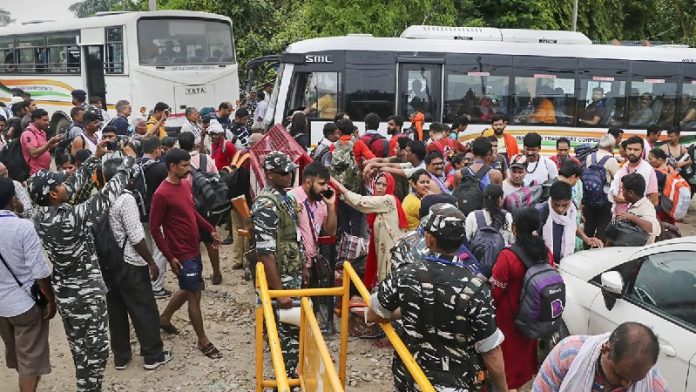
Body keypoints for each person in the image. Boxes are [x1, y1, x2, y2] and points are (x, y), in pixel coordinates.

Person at [366, 204, 508, 392]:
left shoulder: (406, 275)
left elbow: (372, 315)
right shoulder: (477, 288)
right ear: (461, 241)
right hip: (457, 383)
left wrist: (407, 310)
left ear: (429, 239)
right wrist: (503, 389)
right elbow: (491, 351)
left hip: (411, 377)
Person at [28, 143, 133, 392]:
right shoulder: (70, 218)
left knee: (79, 349)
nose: (65, 183)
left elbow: (73, 185)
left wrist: (92, 161)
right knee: (96, 351)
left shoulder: (39, 214)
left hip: (65, 292)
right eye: (59, 184)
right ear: (54, 194)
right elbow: (106, 197)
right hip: (86, 293)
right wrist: (127, 167)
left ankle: (84, 385)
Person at [149, 148, 222, 359]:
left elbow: (192, 212)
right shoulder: (161, 194)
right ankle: (203, 340)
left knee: (190, 285)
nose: (189, 169)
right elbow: (154, 229)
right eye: (184, 166)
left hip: (193, 247)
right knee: (194, 293)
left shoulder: (186, 184)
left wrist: (210, 229)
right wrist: (170, 256)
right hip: (181, 252)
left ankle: (164, 319)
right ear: (172, 166)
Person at [103, 159, 173, 370]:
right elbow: (135, 235)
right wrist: (151, 262)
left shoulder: (99, 196)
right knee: (143, 307)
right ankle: (153, 355)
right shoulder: (126, 199)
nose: (134, 179)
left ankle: (121, 356)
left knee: (115, 309)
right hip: (129, 261)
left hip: (107, 261)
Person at [0, 177, 56, 392]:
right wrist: (50, 299)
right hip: (25, 304)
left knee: (19, 357)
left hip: (2, 307)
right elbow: (40, 270)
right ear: (13, 200)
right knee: (30, 365)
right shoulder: (23, 227)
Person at [251, 151, 303, 376]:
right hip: (281, 279)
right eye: (283, 173)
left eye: (290, 171)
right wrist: (280, 293)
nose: (289, 176)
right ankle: (287, 379)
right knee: (287, 335)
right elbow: (265, 253)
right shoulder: (266, 204)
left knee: (293, 334)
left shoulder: (284, 197)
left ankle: (290, 376)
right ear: (270, 175)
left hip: (291, 273)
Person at [490, 207, 551, 391]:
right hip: (532, 314)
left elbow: (495, 292)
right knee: (525, 354)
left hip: (509, 319)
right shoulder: (546, 252)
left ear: (514, 228)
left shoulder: (507, 256)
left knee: (508, 358)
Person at [533, 322, 669, 392]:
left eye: (635, 380)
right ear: (605, 350)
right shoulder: (569, 354)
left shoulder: (652, 383)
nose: (626, 384)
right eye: (619, 375)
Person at [333, 172, 408, 288]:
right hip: (384, 254)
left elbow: (361, 201)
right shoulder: (378, 205)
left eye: (384, 184)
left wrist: (337, 185)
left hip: (391, 255)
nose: (380, 187)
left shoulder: (388, 200)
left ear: (390, 187)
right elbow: (361, 205)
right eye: (378, 183)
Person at [178, 131, 225, 283]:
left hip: (189, 206)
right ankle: (217, 273)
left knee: (192, 243)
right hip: (207, 206)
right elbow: (217, 177)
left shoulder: (180, 163)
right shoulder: (206, 158)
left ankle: (196, 275)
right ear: (194, 144)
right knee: (211, 239)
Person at [288, 163, 337, 280]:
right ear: (308, 183)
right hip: (294, 265)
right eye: (321, 184)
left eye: (326, 184)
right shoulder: (291, 199)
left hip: (312, 263)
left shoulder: (321, 202)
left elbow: (331, 231)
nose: (325, 188)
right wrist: (302, 266)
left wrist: (331, 206)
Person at [138, 136, 171, 299]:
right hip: (155, 214)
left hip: (139, 213)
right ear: (157, 149)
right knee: (161, 250)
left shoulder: (135, 165)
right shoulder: (159, 169)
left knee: (148, 249)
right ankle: (157, 287)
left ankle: (148, 282)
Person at [539, 182, 603, 263]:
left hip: (565, 261)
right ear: (551, 199)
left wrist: (586, 238)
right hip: (546, 261)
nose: (560, 209)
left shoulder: (572, 210)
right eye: (556, 205)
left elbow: (573, 225)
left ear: (570, 200)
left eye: (564, 205)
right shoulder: (542, 212)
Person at [609, 136, 659, 215]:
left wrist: (626, 200)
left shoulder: (648, 170)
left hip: (637, 218)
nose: (632, 152)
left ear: (642, 151)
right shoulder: (623, 167)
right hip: (618, 216)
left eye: (636, 150)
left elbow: (654, 201)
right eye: (629, 149)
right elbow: (615, 195)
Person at [584, 135, 620, 242]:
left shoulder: (590, 157)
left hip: (589, 197)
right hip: (604, 198)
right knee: (602, 227)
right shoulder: (611, 160)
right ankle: (599, 250)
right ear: (611, 146)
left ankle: (585, 248)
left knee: (588, 226)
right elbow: (617, 178)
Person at [615, 173, 661, 244]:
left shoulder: (646, 208)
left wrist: (632, 218)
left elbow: (654, 229)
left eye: (623, 190)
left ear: (630, 193)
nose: (622, 193)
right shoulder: (633, 203)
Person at [20, 109, 63, 176]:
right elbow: (34, 153)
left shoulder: (42, 132)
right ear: (36, 119)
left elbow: (44, 148)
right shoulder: (28, 133)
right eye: (44, 120)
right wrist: (49, 142)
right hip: (35, 173)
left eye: (48, 120)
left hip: (44, 171)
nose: (47, 123)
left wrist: (55, 143)